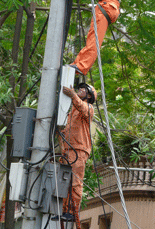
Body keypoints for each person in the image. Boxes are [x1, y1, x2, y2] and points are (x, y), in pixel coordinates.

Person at [57, 83, 97, 225]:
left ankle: (72, 212)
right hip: (68, 150)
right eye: (79, 89)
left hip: (79, 150)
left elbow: (83, 108)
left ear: (89, 95)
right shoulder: (72, 110)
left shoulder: (89, 108)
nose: (80, 90)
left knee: (75, 182)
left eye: (83, 89)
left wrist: (73, 95)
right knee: (64, 181)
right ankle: (63, 210)